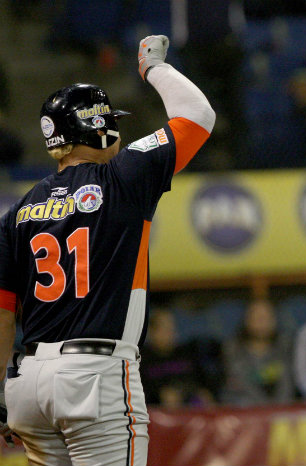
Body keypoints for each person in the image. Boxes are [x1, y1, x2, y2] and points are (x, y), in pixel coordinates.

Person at [0, 35, 215, 465]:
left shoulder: (18, 210)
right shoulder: (123, 176)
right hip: (95, 376)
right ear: (100, 129)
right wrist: (152, 67)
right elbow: (198, 114)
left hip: (27, 382)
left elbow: (3, 314)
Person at [219, 298, 296, 406]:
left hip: (281, 412)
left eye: (266, 317)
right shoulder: (233, 349)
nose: (262, 322)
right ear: (246, 320)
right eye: (257, 317)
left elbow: (287, 385)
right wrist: (264, 410)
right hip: (244, 412)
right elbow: (240, 383)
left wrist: (279, 409)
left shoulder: (285, 346)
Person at [140, 309, 222, 408]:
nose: (171, 332)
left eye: (172, 328)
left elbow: (202, 381)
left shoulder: (186, 353)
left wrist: (203, 393)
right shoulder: (141, 358)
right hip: (155, 412)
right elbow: (140, 392)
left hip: (190, 406)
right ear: (152, 332)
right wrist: (159, 395)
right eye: (165, 328)